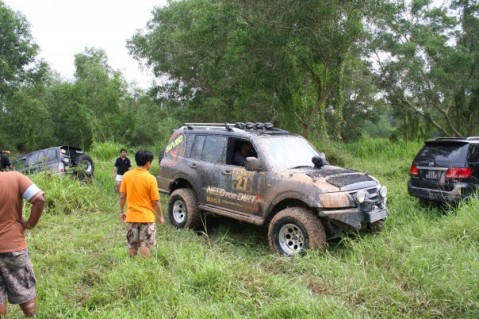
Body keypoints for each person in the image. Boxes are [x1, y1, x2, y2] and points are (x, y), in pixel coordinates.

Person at [0, 170, 45, 318]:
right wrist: (29, 224)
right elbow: (39, 198)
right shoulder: (15, 177)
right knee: (24, 290)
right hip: (13, 246)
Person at [119, 150, 164, 258]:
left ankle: (131, 266)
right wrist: (160, 216)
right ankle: (144, 269)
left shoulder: (127, 176)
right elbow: (156, 201)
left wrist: (122, 211)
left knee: (132, 244)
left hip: (132, 216)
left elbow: (122, 196)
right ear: (148, 163)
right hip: (147, 218)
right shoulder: (151, 178)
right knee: (146, 244)